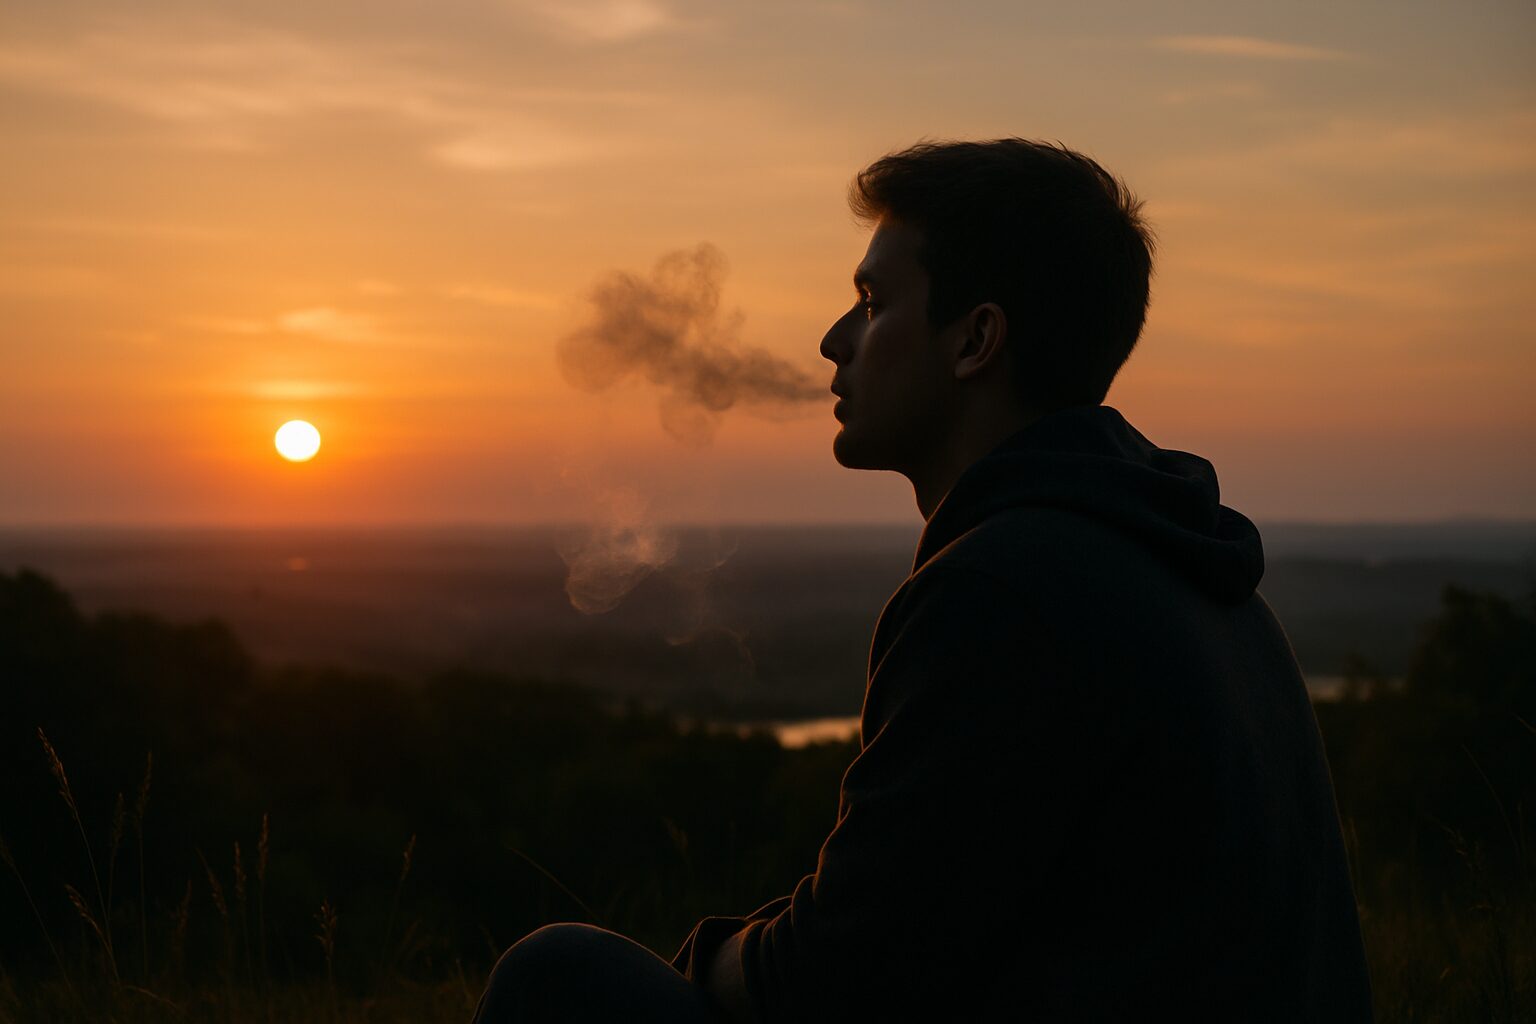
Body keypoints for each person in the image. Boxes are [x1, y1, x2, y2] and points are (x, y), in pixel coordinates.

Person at [471, 138, 1374, 1022]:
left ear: (976, 339)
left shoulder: (1005, 589)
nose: (834, 341)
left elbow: (834, 981)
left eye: (871, 302)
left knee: (560, 977)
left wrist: (711, 966)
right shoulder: (1189, 567)